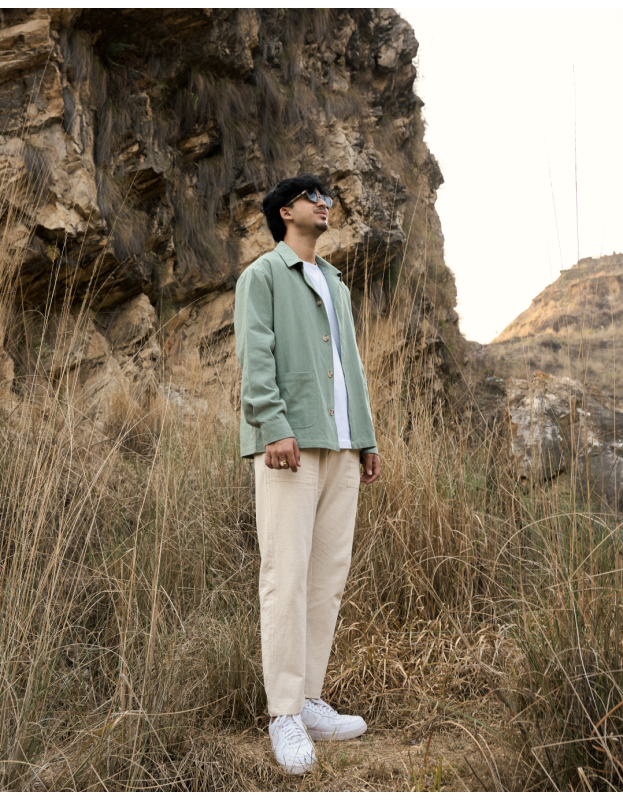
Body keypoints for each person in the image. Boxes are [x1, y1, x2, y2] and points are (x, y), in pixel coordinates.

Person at [234, 174, 381, 775]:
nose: (324, 204)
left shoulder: (336, 284)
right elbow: (255, 355)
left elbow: (351, 367)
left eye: (327, 198)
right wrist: (273, 425)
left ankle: (311, 700)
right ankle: (284, 714)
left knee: (326, 579)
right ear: (285, 211)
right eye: (312, 197)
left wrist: (366, 437)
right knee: (286, 577)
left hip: (342, 446)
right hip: (288, 446)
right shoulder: (263, 275)